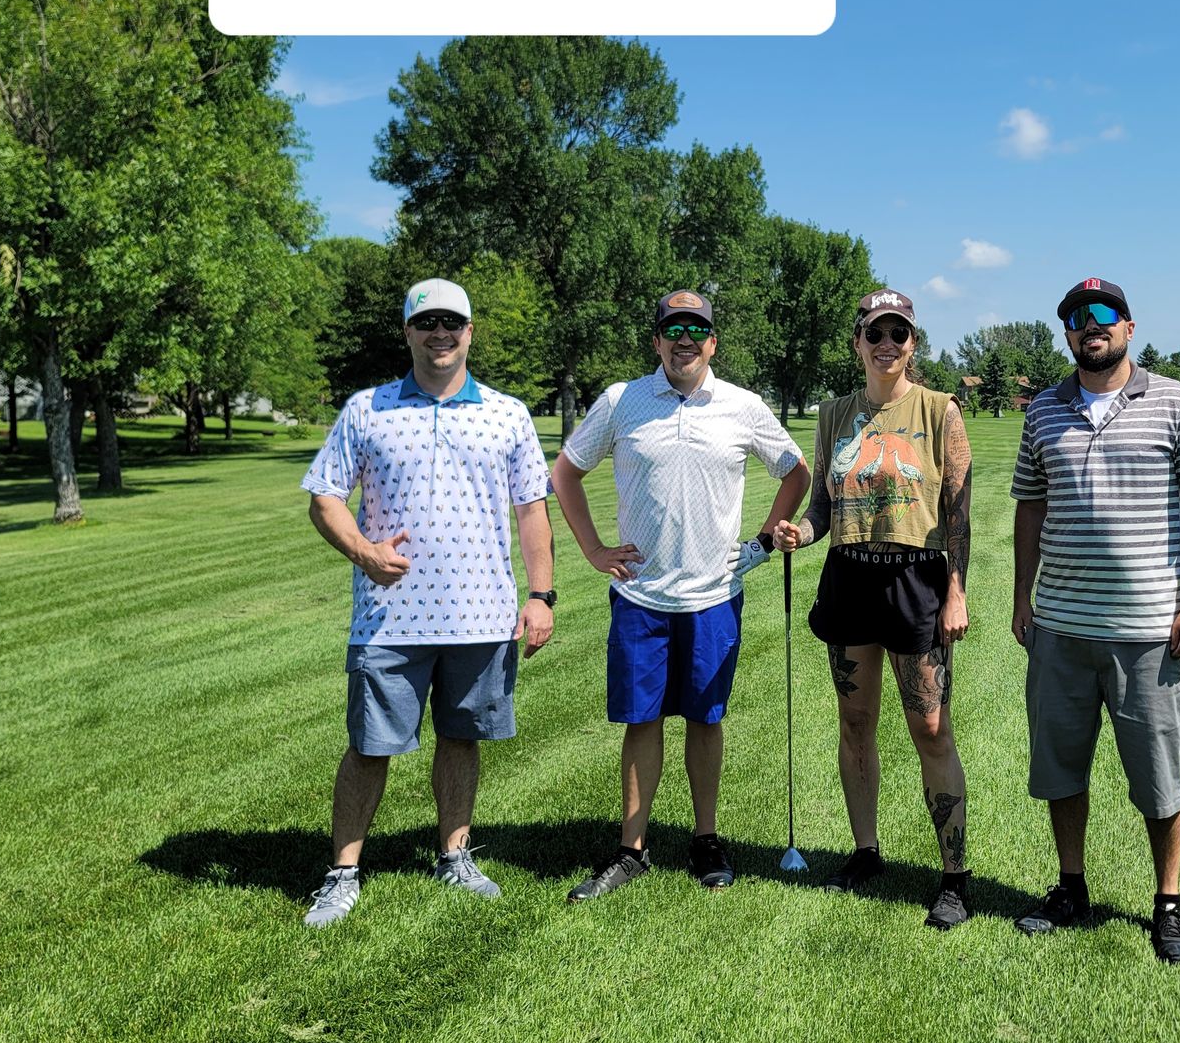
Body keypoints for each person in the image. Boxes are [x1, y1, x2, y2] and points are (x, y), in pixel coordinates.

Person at [298, 278, 555, 928]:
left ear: (470, 332)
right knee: (370, 746)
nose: (440, 333)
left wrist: (541, 594)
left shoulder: (508, 413)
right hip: (389, 619)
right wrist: (363, 552)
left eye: (453, 322)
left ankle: (454, 855)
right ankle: (343, 871)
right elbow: (324, 497)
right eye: (427, 322)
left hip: (481, 615)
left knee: (463, 738)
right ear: (408, 331)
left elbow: (531, 511)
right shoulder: (368, 409)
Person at [550, 290, 811, 900]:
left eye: (697, 328)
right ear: (657, 340)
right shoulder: (622, 400)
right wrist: (592, 550)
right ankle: (631, 848)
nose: (685, 339)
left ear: (713, 341)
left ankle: (705, 839)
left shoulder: (742, 407)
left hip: (714, 593)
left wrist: (766, 540)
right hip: (642, 596)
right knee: (641, 721)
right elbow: (564, 472)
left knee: (704, 718)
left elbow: (795, 470)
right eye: (674, 328)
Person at [1009, 277, 1180, 962]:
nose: (1089, 325)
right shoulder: (1044, 411)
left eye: (1102, 315)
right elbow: (1029, 506)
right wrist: (1023, 599)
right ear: (1067, 334)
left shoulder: (1177, 403)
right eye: (1075, 318)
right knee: (1059, 768)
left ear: (1129, 327)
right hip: (1062, 630)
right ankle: (1070, 887)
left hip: (1147, 636)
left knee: (1159, 778)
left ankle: (1167, 903)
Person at [770, 289, 975, 930]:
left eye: (899, 333)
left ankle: (953, 877)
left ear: (914, 344)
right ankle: (866, 852)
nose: (887, 343)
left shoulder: (941, 411)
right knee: (855, 723)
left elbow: (959, 513)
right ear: (857, 342)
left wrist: (957, 592)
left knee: (931, 730)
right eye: (875, 333)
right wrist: (799, 534)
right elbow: (824, 511)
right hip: (850, 577)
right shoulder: (834, 414)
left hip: (916, 578)